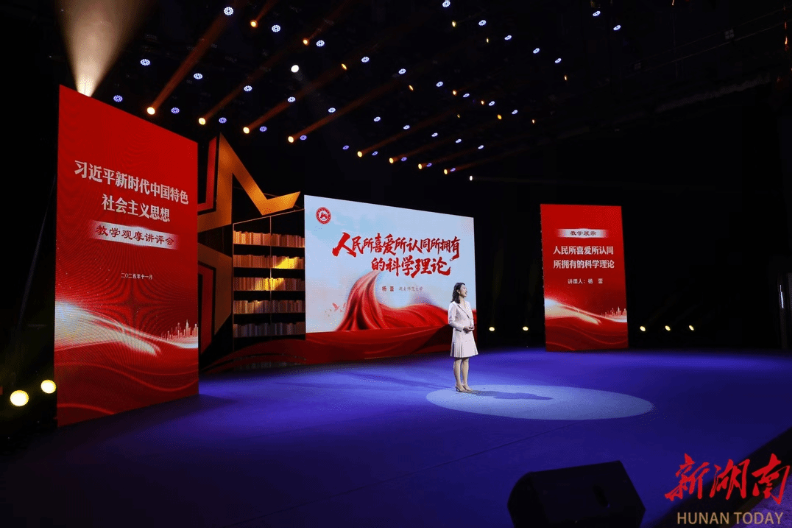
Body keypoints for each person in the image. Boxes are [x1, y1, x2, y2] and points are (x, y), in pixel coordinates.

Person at [448, 282, 478, 393]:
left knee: (466, 359)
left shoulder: (468, 304)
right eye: (464, 288)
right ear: (458, 291)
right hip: (459, 334)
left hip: (468, 333)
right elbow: (451, 321)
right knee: (458, 359)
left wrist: (471, 325)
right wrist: (463, 327)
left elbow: (471, 318)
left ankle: (465, 383)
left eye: (466, 288)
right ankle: (458, 384)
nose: (466, 290)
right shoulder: (453, 305)